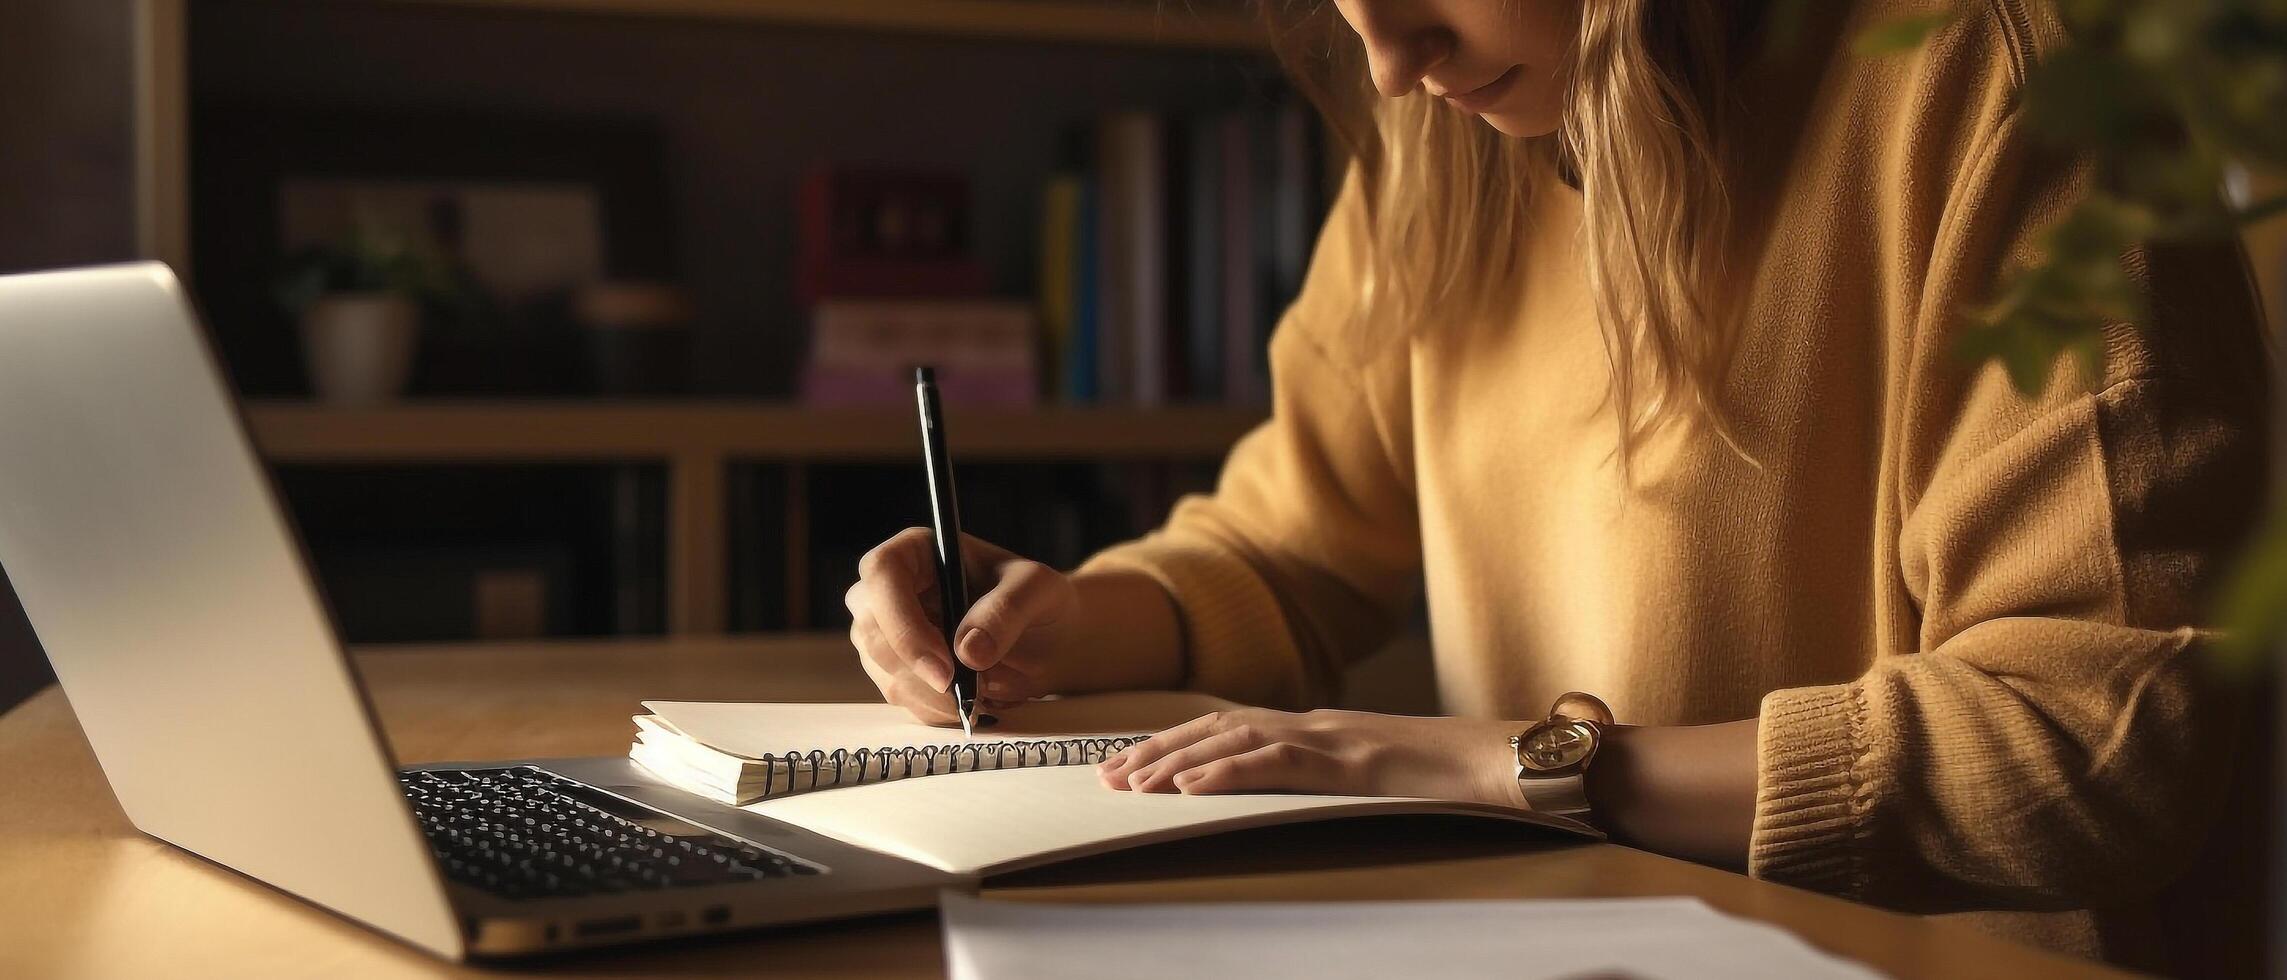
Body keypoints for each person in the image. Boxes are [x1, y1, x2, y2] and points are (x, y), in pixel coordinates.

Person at [842, 0, 2270, 968]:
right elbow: (1291, 538)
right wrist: (1055, 621)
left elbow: (2093, 745)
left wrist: (1514, 770)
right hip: (1553, 938)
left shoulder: (2001, 80)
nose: (1389, 61)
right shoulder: (1449, 142)